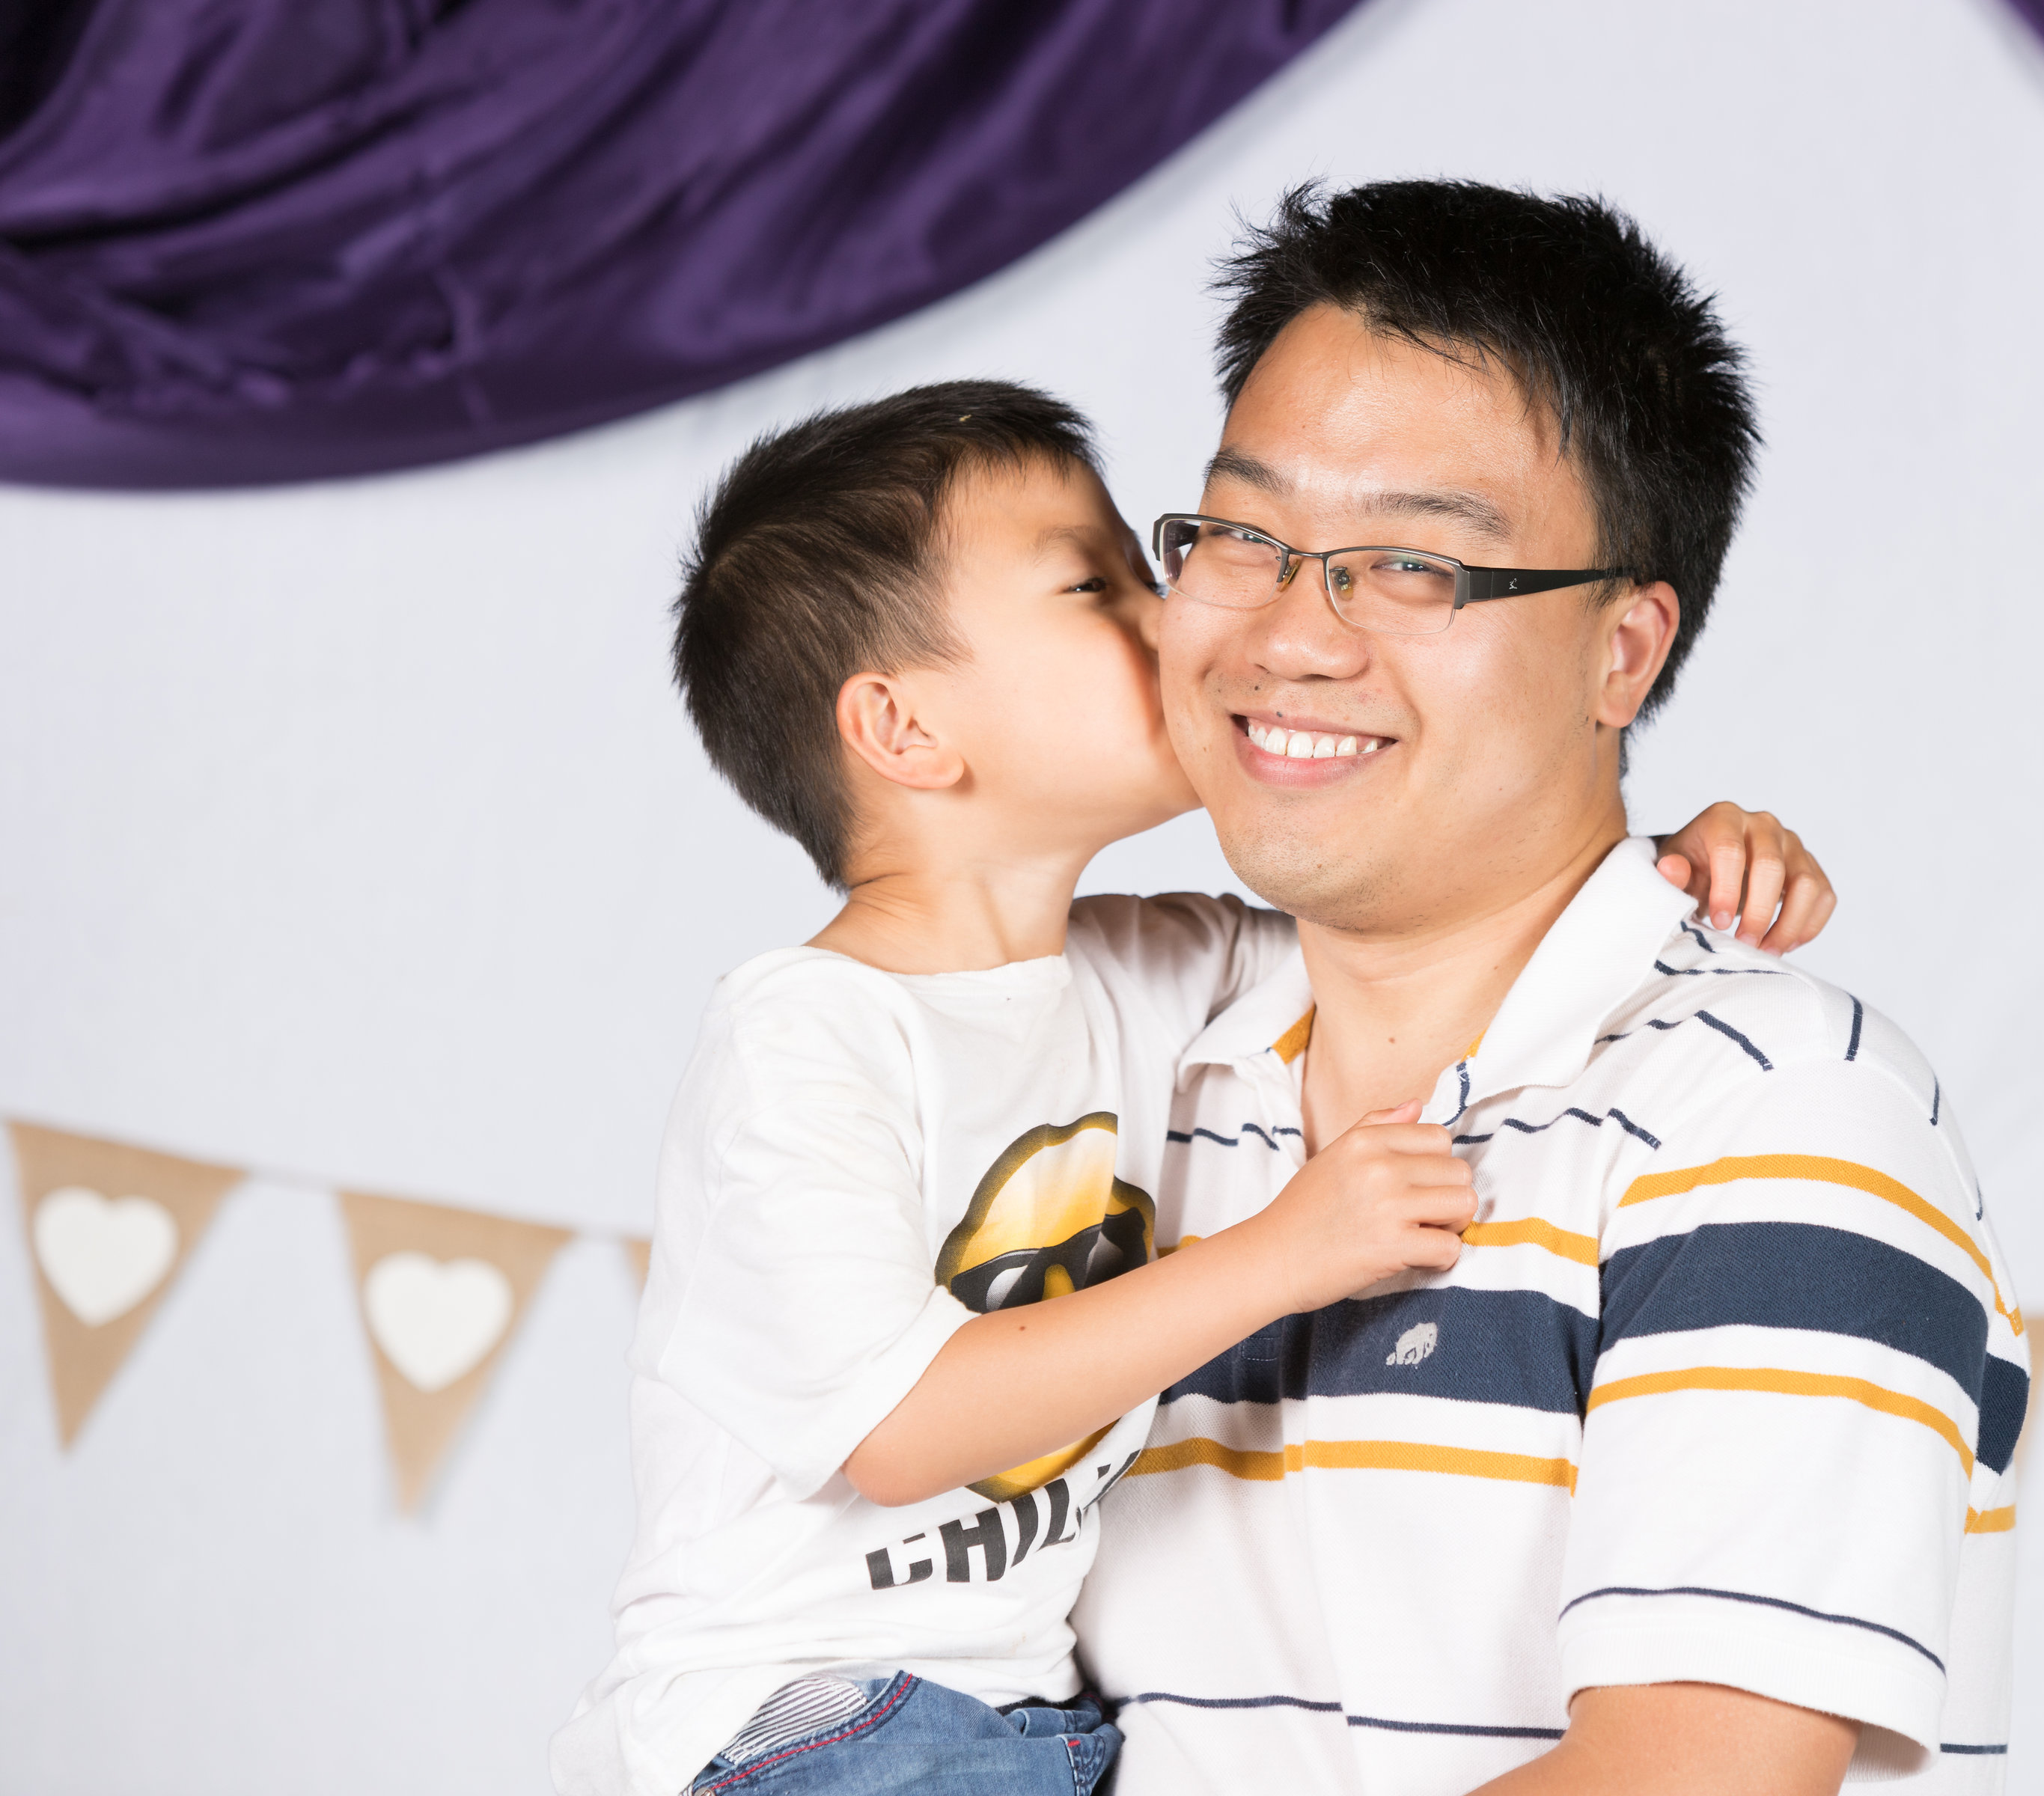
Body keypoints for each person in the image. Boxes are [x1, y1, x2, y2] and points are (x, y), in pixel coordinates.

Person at [549, 379, 1831, 1795]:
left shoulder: (1148, 970)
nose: (1175, 621)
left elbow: (1451, 927)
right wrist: (1284, 1254)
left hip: (1014, 1727)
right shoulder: (806, 1035)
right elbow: (902, 1430)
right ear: (905, 731)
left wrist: (1669, 865)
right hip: (801, 1725)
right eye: (1090, 587)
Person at [1069, 182, 2032, 1795]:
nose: (1294, 637)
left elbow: (1688, 1779)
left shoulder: (1771, 1118)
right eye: (1244, 537)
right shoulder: (1108, 1063)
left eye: (1411, 564)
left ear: (1622, 652)